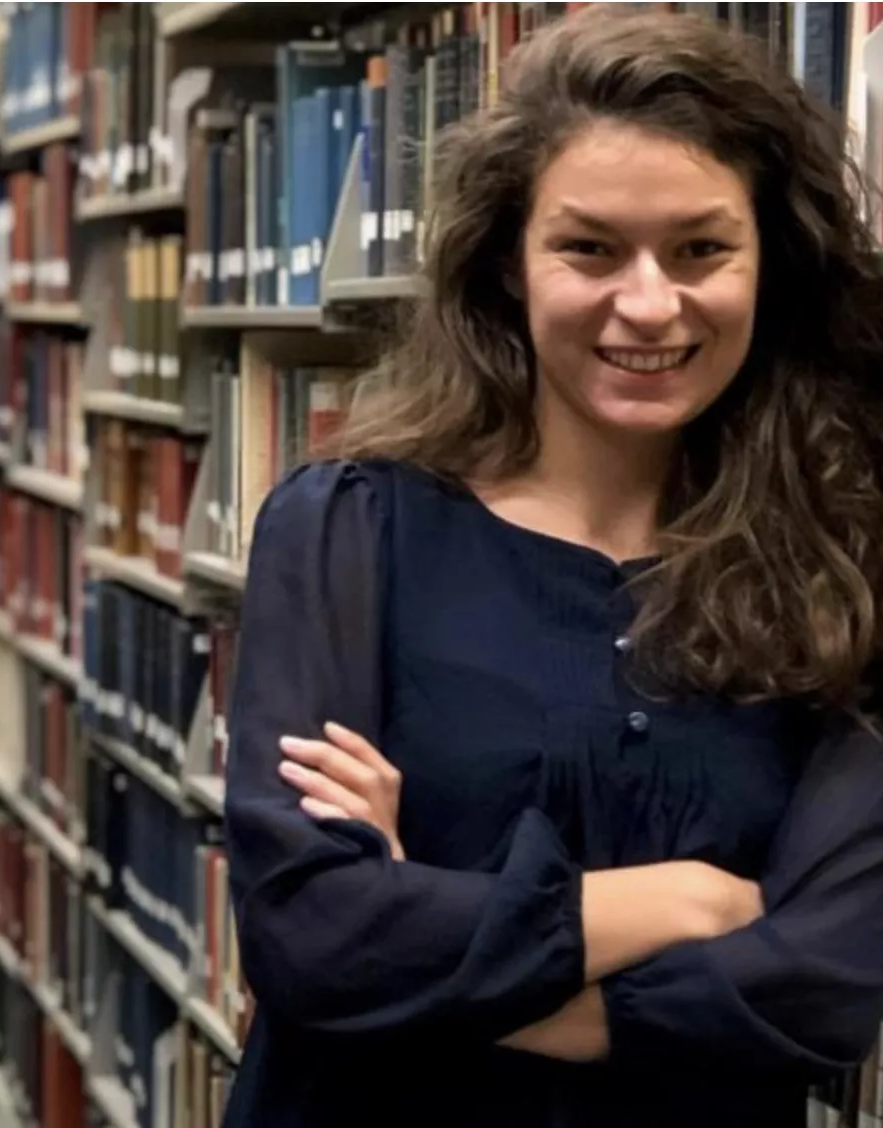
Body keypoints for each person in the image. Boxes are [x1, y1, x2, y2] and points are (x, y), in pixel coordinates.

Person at [221, 7, 883, 1128]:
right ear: (507, 266)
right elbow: (310, 941)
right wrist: (674, 905)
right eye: (588, 247)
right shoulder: (347, 531)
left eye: (700, 249)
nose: (648, 303)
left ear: (770, 262)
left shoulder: (837, 565)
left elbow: (823, 988)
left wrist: (434, 940)